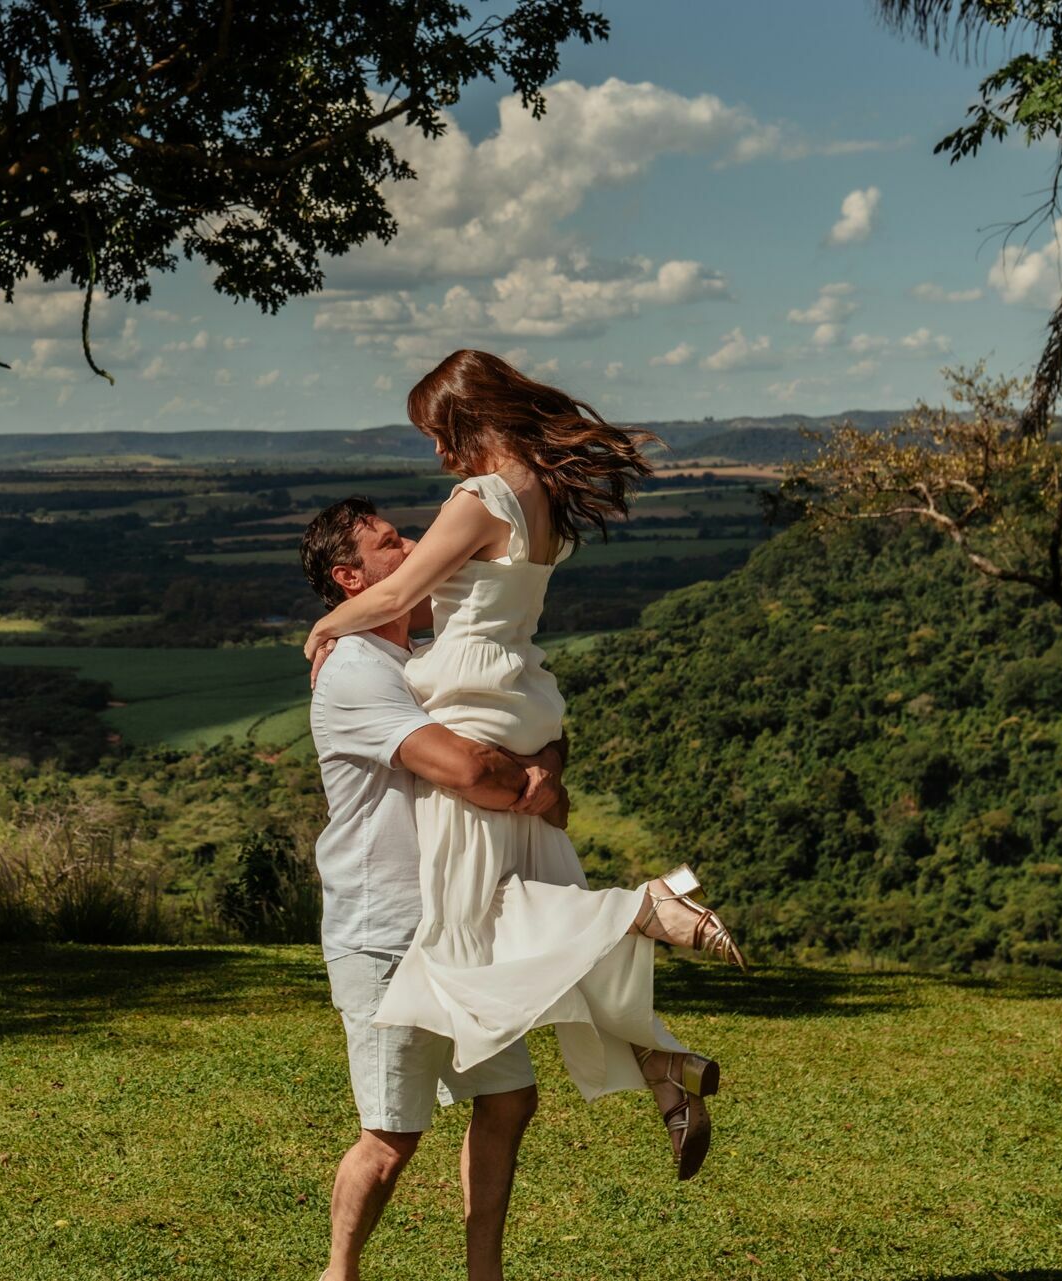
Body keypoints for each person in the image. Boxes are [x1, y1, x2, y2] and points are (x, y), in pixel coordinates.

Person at [303, 349, 742, 1185]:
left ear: (470, 417)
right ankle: (660, 1063)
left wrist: (324, 628)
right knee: (522, 919)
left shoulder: (479, 498)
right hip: (523, 694)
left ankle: (646, 905)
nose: (440, 454)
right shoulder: (542, 498)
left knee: (469, 924)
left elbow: (393, 596)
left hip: (469, 697)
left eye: (440, 433)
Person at [299, 495, 570, 1281]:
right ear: (351, 578)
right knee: (391, 1137)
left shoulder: (423, 659)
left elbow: (530, 723)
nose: (417, 546)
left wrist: (541, 764)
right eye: (391, 542)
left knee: (509, 1098)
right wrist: (538, 782)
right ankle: (338, 1273)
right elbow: (467, 768)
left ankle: (483, 1273)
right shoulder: (354, 671)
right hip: (385, 932)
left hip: (455, 921)